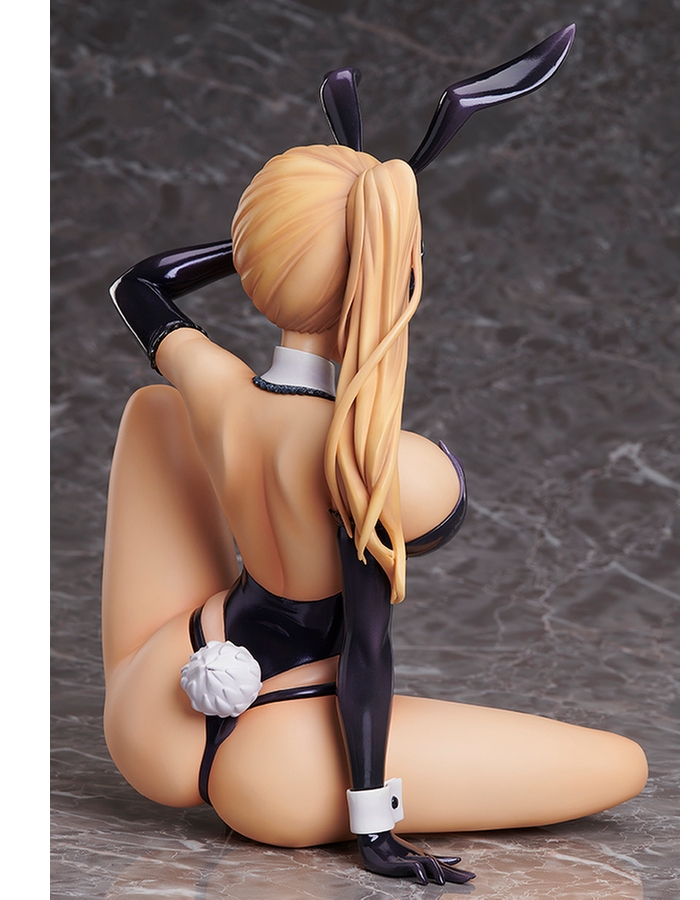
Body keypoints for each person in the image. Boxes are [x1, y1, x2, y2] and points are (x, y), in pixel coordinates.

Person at [101, 32, 647, 886]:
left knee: (157, 407)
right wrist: (375, 829)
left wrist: (271, 246)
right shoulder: (359, 458)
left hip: (159, 698)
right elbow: (366, 655)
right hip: (274, 763)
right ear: (390, 277)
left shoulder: (221, 387)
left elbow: (138, 286)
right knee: (618, 764)